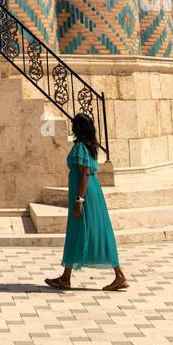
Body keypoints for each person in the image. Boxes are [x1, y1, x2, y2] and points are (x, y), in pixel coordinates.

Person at [45, 112, 128, 291]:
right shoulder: (89, 146)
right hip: (91, 193)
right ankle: (66, 277)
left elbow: (84, 173)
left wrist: (79, 200)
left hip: (85, 195)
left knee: (85, 230)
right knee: (89, 231)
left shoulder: (81, 147)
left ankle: (118, 274)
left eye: (74, 123)